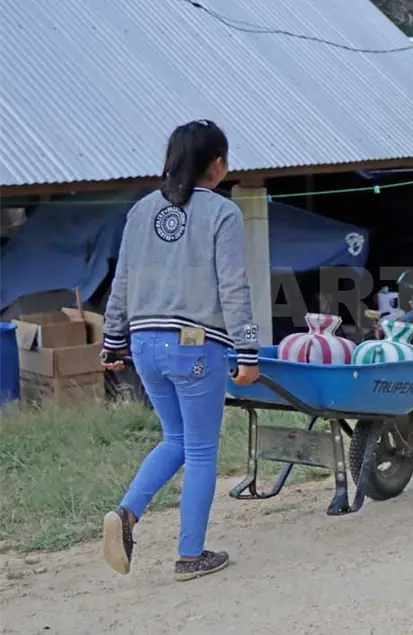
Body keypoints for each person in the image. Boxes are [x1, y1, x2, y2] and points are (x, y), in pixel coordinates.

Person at [101, 119, 260, 580]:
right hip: (193, 346)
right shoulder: (223, 213)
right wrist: (247, 354)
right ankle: (191, 555)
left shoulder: (139, 211)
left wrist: (113, 341)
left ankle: (127, 514)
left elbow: (122, 282)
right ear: (219, 164)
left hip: (144, 344)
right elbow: (234, 288)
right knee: (203, 450)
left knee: (176, 440)